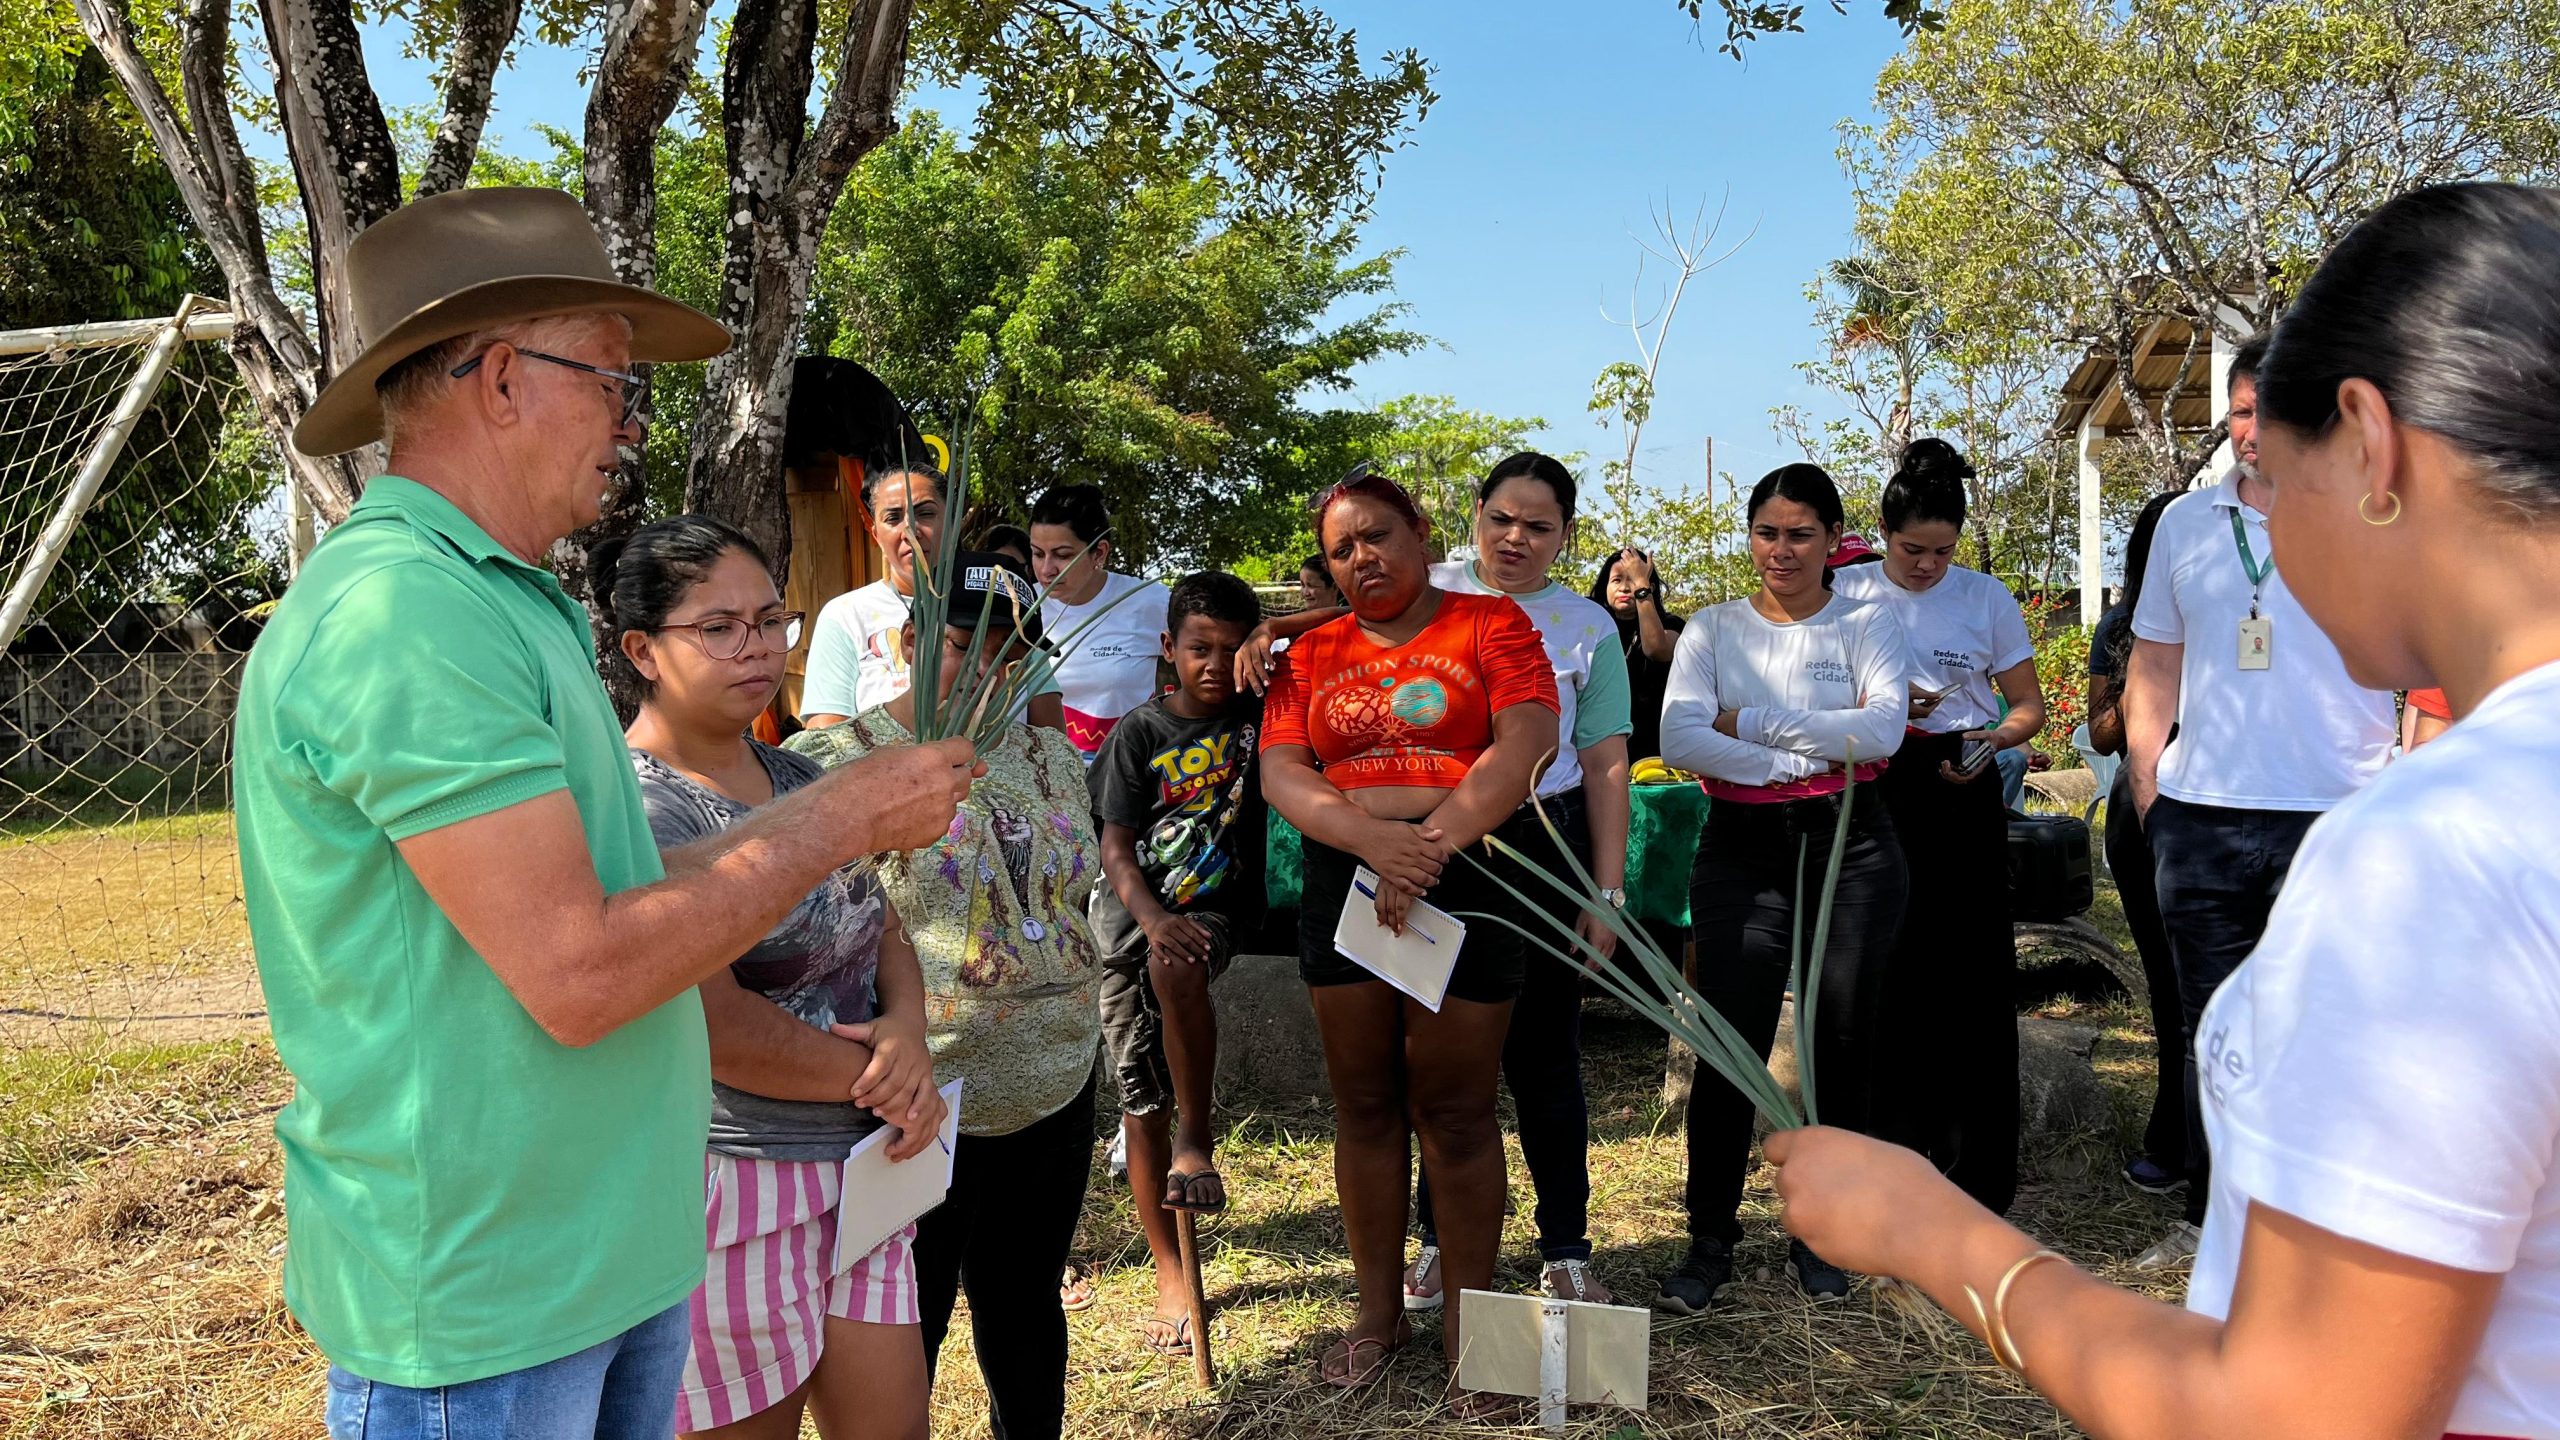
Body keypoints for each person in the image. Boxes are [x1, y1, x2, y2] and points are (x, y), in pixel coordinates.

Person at [1770, 178, 2560, 1440]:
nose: (2267, 531)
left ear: (2369, 444)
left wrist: (1930, 1232)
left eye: (2278, 477)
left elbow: (2287, 1416)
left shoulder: (2432, 858)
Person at [231, 187, 976, 1438]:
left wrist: (834, 810)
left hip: (595, 1260)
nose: (632, 422)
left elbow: (625, 898)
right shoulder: (409, 612)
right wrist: (839, 819)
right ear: (502, 379)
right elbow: (580, 970)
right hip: (490, 1301)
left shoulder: (501, 599)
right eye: (614, 380)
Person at [605, 516, 945, 1440]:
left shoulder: (797, 776)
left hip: (871, 1167)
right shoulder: (638, 810)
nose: (756, 648)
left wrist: (908, 1033)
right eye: (718, 628)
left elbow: (883, 927)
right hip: (738, 1178)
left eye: (769, 620)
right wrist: (888, 1082)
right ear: (643, 650)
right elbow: (716, 1026)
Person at [1258, 467, 1559, 1405]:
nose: (1363, 558)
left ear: (1421, 531)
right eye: (1342, 549)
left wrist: (1424, 848)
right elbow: (1282, 768)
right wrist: (1371, 843)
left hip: (1470, 872)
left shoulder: (1493, 625)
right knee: (1365, 1106)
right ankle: (1376, 1316)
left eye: (1378, 535)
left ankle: (1474, 1330)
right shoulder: (1308, 654)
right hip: (1345, 877)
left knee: (1459, 1111)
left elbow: (1528, 741)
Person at [786, 555, 1101, 1440]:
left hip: (1057, 1076)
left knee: (1026, 1301)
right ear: (909, 641)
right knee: (901, 1318)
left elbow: (1070, 896)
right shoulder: (831, 763)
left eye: (1011, 653)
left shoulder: (1050, 755)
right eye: (963, 645)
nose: (987, 672)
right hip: (911, 1097)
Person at [2121, 332, 2397, 1269]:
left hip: (2335, 815)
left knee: (2325, 1030)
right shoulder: (2184, 525)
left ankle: (2324, 1235)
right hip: (2200, 818)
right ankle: (2212, 1227)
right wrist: (2151, 784)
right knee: (2214, 1033)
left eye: (2270, 412)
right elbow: (2155, 659)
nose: (2252, 430)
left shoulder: (2370, 514)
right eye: (2241, 412)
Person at [1653, 463, 1911, 1314]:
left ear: (1834, 539)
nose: (1782, 550)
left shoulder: (1867, 623)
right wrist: (1792, 760)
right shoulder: (1713, 629)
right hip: (1742, 847)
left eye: (1801, 534)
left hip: (1852, 844)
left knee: (1841, 1040)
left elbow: (1883, 729)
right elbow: (1681, 737)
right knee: (1731, 1043)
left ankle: (1825, 1234)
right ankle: (1709, 1239)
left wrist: (1753, 724)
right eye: (1767, 532)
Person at [1405, 451, 1634, 1308]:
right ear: (1476, 513)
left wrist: (1604, 894)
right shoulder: (1429, 593)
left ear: (1566, 535)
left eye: (1539, 527)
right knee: (1443, 1061)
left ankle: (1566, 1248)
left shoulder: (1586, 625)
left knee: (1545, 1057)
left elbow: (1606, 763)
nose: (1515, 539)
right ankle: (1438, 1239)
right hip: (1434, 845)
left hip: (1544, 845)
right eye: (1501, 519)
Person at [1834, 438, 2046, 1216]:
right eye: (1912, 550)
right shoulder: (1845, 591)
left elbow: (2027, 705)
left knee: (1969, 975)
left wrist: (1994, 739)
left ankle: (1974, 1170)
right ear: (1883, 535)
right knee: (1880, 970)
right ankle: (1884, 1160)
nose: (1927, 566)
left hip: (1961, 779)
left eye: (1942, 552)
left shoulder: (1985, 598)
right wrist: (1884, 709)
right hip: (1871, 781)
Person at [1088, 572, 1267, 1358]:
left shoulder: (1260, 718)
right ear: (1168, 648)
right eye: (1200, 648)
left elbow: (1341, 614)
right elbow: (1115, 848)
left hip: (1215, 914)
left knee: (1179, 968)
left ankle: (1199, 1137)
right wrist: (1154, 918)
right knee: (1140, 1100)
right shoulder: (1139, 734)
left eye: (1233, 648)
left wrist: (1275, 632)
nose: (1216, 665)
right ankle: (1170, 1272)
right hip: (1130, 923)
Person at [800, 461, 1065, 733]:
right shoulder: (846, 615)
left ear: (952, 524)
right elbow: (830, 739)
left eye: (925, 513)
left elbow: (1051, 741)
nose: (910, 530)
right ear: (876, 534)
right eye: (893, 518)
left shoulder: (1000, 607)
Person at [2085, 492, 2184, 1196]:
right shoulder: (2119, 627)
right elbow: (2100, 735)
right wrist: (2140, 686)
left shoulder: (2234, 614)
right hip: (2142, 809)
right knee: (2169, 983)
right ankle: (2172, 1136)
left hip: (2221, 803)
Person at [1029, 483, 1165, 762]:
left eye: (1063, 555)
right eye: (1037, 553)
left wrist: (1259, 634)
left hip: (1125, 771)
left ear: (1099, 552)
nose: (1046, 570)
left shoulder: (1148, 601)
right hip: (1042, 772)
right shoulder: (1020, 605)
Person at [1592, 547, 1685, 764]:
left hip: (1654, 753)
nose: (1625, 587)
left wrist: (1641, 587)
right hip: (1599, 748)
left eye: (1632, 580)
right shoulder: (1589, 626)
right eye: (1616, 580)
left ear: (1650, 587)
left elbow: (1657, 649)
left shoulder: (1671, 625)